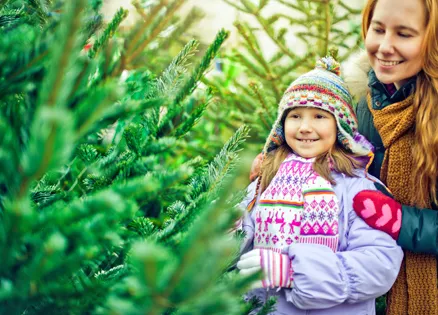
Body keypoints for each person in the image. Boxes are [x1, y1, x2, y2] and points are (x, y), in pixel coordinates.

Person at [237, 56, 402, 315]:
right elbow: (235, 239)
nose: (305, 127)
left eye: (318, 116)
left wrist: (294, 273)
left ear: (340, 126)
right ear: (282, 124)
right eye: (295, 116)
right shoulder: (266, 180)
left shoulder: (359, 188)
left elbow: (379, 264)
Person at [341, 0, 438, 313]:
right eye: (378, 29)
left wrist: (400, 222)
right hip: (377, 288)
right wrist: (280, 170)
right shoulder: (365, 106)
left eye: (404, 34)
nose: (384, 46)